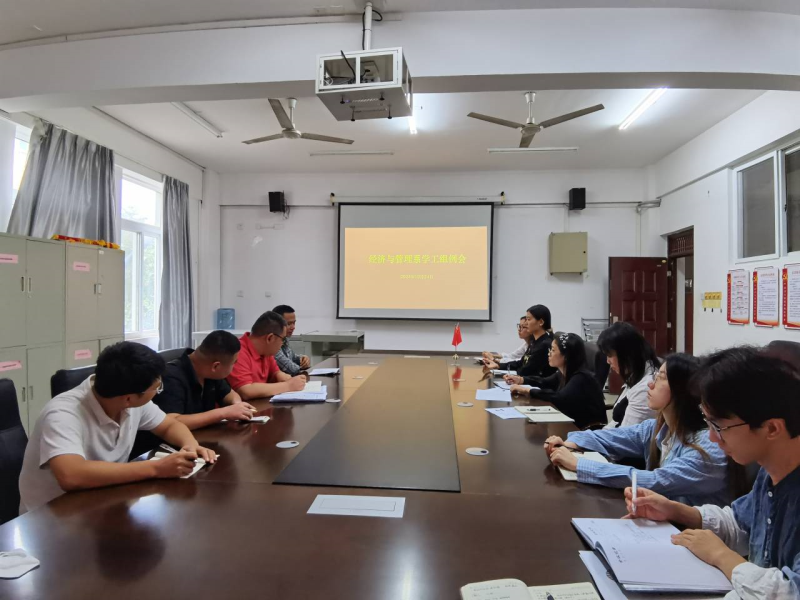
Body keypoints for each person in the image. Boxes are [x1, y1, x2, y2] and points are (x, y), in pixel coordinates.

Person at [624, 347, 800, 600]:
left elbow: (792, 592)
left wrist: (721, 556)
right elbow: (740, 523)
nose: (712, 438)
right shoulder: (771, 469)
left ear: (772, 428)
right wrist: (675, 511)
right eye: (708, 422)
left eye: (719, 426)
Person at [18, 342, 217, 512]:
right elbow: (71, 475)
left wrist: (190, 445)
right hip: (53, 517)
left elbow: (168, 425)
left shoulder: (129, 400)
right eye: (157, 388)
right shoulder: (63, 414)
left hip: (104, 501)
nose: (158, 392)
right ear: (129, 398)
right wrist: (157, 468)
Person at [544, 353, 732, 506]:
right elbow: (612, 437)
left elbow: (654, 481)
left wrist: (579, 465)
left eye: (661, 378)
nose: (651, 384)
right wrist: (571, 443)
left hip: (694, 535)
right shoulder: (659, 427)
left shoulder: (708, 446)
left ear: (682, 390)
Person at [129, 330, 258, 458]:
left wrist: (237, 406)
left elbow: (230, 394)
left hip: (197, 442)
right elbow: (172, 420)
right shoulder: (171, 376)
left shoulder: (210, 372)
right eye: (234, 363)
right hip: (162, 450)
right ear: (216, 366)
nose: (234, 367)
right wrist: (223, 413)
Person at [509, 332, 606, 429]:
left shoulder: (581, 377)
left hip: (586, 429)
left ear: (566, 356)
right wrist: (521, 380)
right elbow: (544, 382)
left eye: (553, 350)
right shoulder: (564, 372)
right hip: (570, 421)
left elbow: (559, 398)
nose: (549, 353)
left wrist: (528, 391)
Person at [227, 310, 307, 400]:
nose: (282, 344)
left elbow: (276, 373)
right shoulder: (238, 351)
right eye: (283, 339)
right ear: (270, 338)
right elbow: (245, 390)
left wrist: (286, 378)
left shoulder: (266, 352)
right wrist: (288, 385)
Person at [598, 321, 661, 428]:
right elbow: (615, 423)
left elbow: (626, 434)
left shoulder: (645, 388)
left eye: (610, 355)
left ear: (627, 354)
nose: (608, 361)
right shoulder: (636, 374)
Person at [484, 305, 556, 380]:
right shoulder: (534, 342)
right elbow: (521, 363)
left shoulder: (544, 345)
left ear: (540, 322)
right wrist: (498, 365)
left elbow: (526, 371)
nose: (526, 323)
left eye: (528, 319)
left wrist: (505, 372)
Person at [272, 304, 311, 376]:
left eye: (294, 323)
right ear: (276, 324)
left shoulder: (285, 339)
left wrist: (303, 359)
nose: (293, 327)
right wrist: (302, 367)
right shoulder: (272, 342)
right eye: (289, 323)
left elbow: (293, 357)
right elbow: (291, 369)